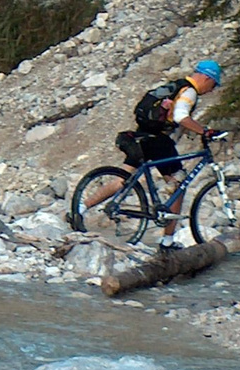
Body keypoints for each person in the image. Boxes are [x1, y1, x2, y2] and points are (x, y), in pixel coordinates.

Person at [80, 59, 228, 251]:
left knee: (122, 179)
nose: (212, 90)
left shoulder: (174, 85)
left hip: (140, 137)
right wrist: (204, 131)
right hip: (158, 143)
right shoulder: (189, 91)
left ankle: (80, 208)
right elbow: (180, 116)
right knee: (178, 185)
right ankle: (167, 242)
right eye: (214, 84)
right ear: (207, 78)